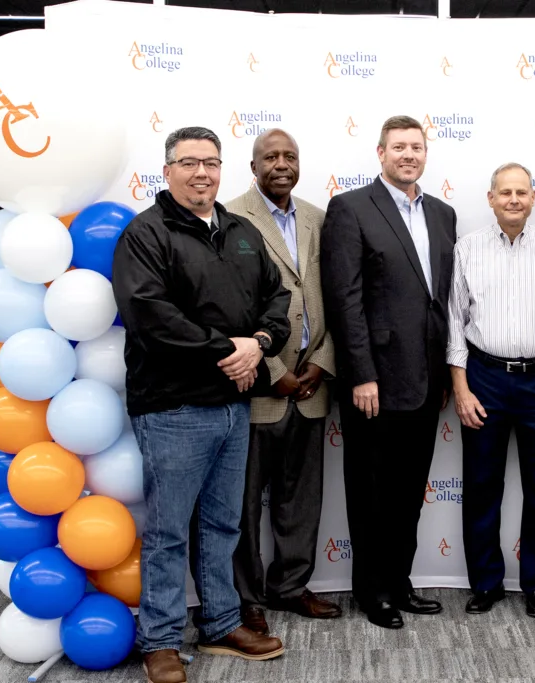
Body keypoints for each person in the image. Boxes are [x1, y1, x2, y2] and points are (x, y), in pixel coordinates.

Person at [113, 126, 291, 683]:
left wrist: (259, 345)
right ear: (167, 171)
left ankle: (220, 623)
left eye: (211, 162)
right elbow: (150, 317)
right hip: (172, 408)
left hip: (234, 406)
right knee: (168, 530)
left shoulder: (241, 231)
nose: (201, 173)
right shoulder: (146, 234)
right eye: (188, 163)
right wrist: (229, 351)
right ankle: (160, 640)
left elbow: (278, 299)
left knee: (222, 525)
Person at [320, 115, 457, 629]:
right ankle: (371, 591)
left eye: (416, 147)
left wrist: (447, 371)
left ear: (426, 153)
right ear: (380, 153)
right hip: (373, 381)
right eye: (398, 147)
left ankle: (399, 582)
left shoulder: (443, 214)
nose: (408, 155)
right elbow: (345, 299)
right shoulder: (351, 208)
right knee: (371, 492)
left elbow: (440, 301)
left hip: (426, 380)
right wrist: (360, 374)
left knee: (407, 491)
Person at [226, 128, 341, 635]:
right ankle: (247, 599)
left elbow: (339, 297)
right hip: (258, 389)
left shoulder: (319, 217)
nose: (280, 164)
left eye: (289, 156)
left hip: (313, 387)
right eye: (269, 157)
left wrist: (322, 364)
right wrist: (276, 374)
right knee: (243, 505)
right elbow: (226, 306)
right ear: (253, 167)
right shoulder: (230, 220)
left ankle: (291, 586)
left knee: (301, 499)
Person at [448, 163, 535, 619]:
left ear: (534, 197)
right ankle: (486, 583)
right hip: (484, 377)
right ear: (490, 198)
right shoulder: (467, 248)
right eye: (505, 192)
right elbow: (455, 320)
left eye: (522, 192)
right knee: (480, 486)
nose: (514, 199)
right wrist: (460, 385)